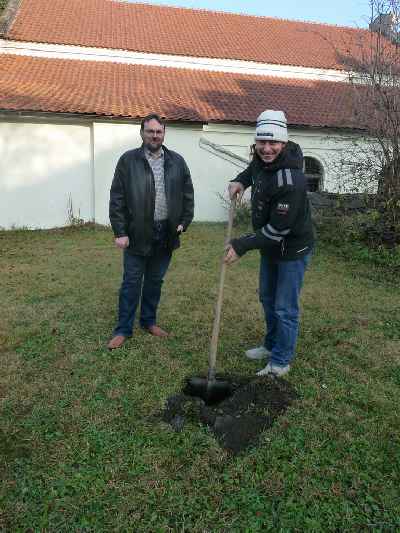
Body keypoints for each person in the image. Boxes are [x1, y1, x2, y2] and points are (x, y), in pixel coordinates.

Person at [225, 109, 314, 376]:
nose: (266, 149)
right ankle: (271, 344)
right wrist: (240, 181)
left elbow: (278, 230)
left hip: (292, 249)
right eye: (261, 143)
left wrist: (240, 245)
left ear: (283, 143)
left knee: (285, 307)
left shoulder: (291, 180)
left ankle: (280, 361)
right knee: (267, 297)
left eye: (272, 143)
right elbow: (253, 170)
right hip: (270, 246)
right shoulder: (261, 160)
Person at [107, 113, 194, 349]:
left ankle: (148, 321)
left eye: (159, 132)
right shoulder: (128, 161)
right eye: (150, 131)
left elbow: (188, 195)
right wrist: (120, 231)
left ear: (164, 133)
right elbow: (117, 198)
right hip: (137, 232)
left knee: (155, 281)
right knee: (132, 282)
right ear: (142, 133)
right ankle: (123, 329)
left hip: (166, 232)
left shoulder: (177, 161)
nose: (155, 135)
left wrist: (184, 222)